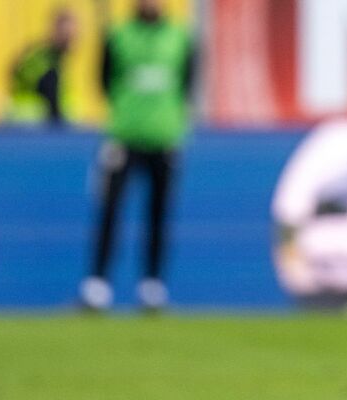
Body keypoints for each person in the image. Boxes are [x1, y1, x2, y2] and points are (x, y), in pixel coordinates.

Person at [80, 0, 197, 312]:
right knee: (111, 210)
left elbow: (187, 85)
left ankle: (152, 286)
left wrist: (168, 123)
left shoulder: (180, 38)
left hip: (164, 139)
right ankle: (98, 285)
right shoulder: (118, 36)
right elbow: (103, 82)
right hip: (124, 138)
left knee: (158, 214)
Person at [9, 8, 77, 127]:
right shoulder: (48, 61)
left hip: (27, 121)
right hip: (32, 125)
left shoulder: (41, 53)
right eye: (68, 35)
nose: (72, 40)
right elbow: (51, 99)